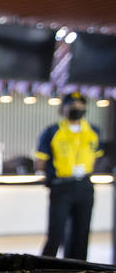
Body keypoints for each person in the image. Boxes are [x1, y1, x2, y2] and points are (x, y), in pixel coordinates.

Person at [35, 91, 103, 260]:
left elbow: (96, 158)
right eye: (72, 106)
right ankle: (44, 270)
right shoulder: (52, 131)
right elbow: (40, 162)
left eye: (80, 106)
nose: (77, 109)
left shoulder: (93, 131)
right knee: (55, 234)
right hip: (61, 186)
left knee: (81, 233)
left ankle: (78, 270)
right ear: (63, 108)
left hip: (85, 186)